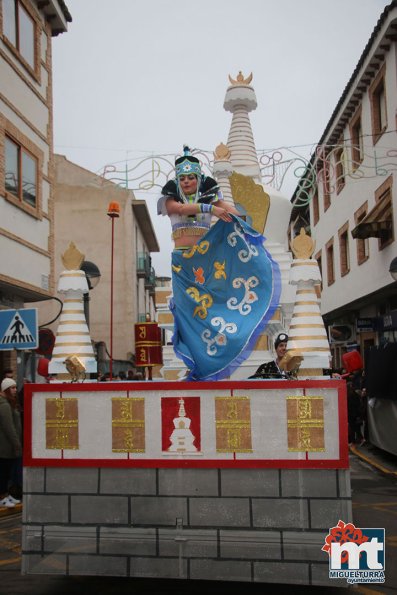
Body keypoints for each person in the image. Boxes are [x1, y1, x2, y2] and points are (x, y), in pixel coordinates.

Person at [158, 146, 281, 381]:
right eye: (182, 178)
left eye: (191, 178)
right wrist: (211, 208)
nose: (186, 182)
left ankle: (219, 351)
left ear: (199, 179)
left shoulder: (210, 197)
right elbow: (181, 209)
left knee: (208, 310)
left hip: (203, 262)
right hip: (182, 264)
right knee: (186, 314)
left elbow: (230, 210)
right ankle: (195, 362)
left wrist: (242, 218)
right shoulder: (171, 199)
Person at [0, 378, 22, 508]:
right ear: (5, 389)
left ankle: (6, 494)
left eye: (15, 387)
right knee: (4, 471)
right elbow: (9, 427)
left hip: (8, 445)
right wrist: (17, 444)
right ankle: (2, 496)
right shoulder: (4, 405)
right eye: (12, 388)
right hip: (5, 446)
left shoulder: (8, 402)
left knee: (7, 471)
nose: (15, 390)